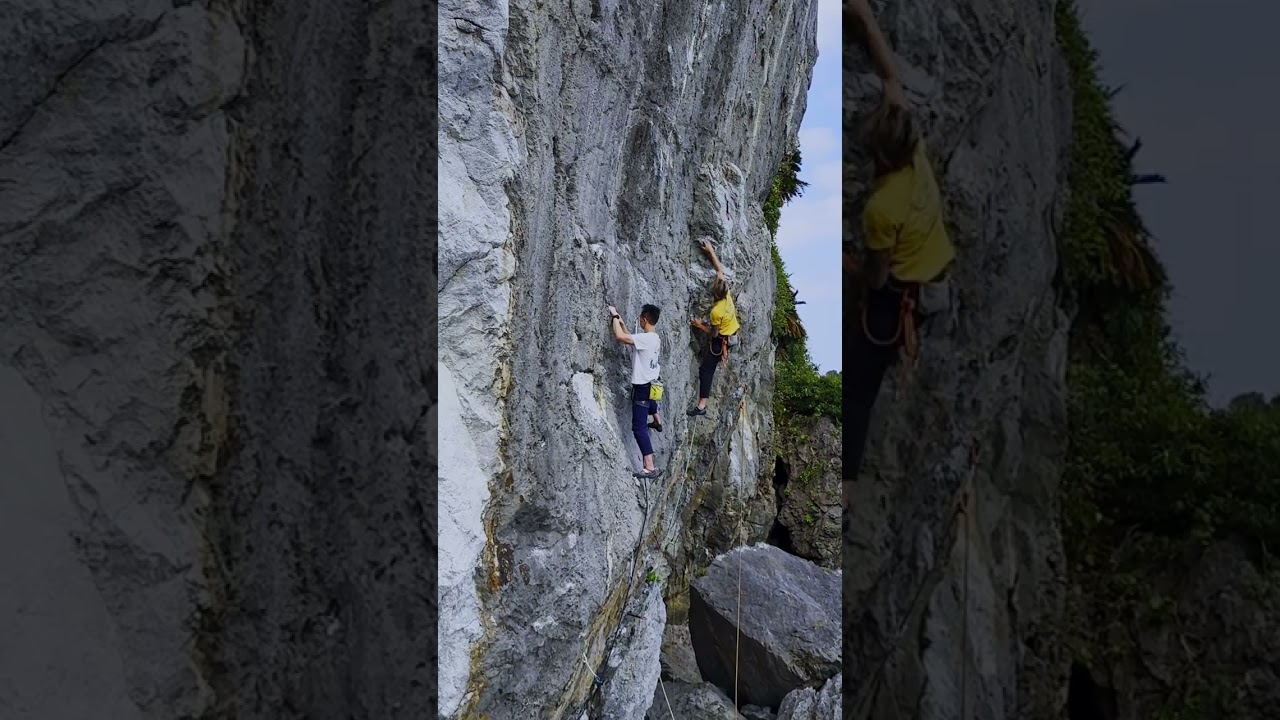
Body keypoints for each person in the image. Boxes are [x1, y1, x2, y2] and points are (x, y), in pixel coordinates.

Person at [844, 0, 956, 508]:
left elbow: (874, 278)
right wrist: (864, 18)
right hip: (935, 275)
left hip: (899, 297)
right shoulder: (917, 157)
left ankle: (845, 490)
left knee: (857, 392)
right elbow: (894, 84)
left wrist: (848, 264)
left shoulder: (882, 208)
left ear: (877, 157)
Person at [609, 302, 664, 478]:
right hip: (653, 384)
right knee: (650, 402)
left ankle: (649, 467)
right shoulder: (654, 338)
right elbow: (629, 336)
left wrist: (615, 316)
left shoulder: (645, 339)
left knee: (638, 428)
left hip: (642, 388)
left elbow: (619, 336)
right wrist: (623, 322)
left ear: (644, 319)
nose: (640, 321)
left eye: (641, 318)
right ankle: (656, 419)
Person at [688, 239, 740, 417]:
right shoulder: (727, 296)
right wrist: (710, 251)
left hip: (721, 340)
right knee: (706, 365)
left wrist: (698, 325)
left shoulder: (717, 311)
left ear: (715, 295)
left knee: (706, 370)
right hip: (732, 332)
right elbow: (719, 270)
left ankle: (701, 406)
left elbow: (713, 332)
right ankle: (702, 403)